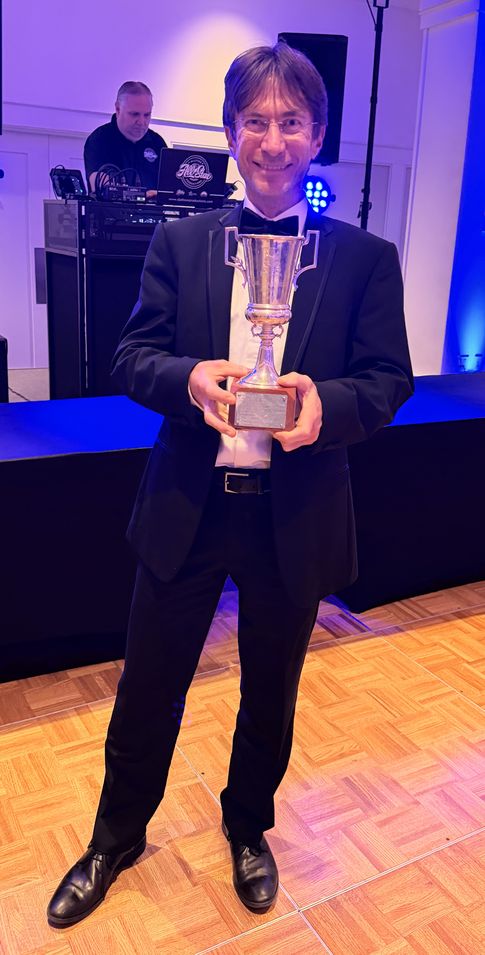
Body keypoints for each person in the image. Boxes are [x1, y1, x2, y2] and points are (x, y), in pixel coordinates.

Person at [47, 42, 413, 928]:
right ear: (229, 130)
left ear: (316, 135)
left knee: (269, 692)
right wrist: (190, 381)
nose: (272, 140)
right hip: (188, 504)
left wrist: (324, 405)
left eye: (291, 122)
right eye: (255, 121)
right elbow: (132, 357)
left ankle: (248, 827)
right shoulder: (180, 242)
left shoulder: (365, 258)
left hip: (296, 511)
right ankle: (113, 837)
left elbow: (386, 379)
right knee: (148, 684)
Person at [84, 81, 167, 193]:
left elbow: (169, 190)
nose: (141, 122)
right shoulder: (99, 140)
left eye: (147, 115)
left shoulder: (158, 143)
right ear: (118, 109)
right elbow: (99, 187)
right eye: (134, 114)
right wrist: (142, 197)